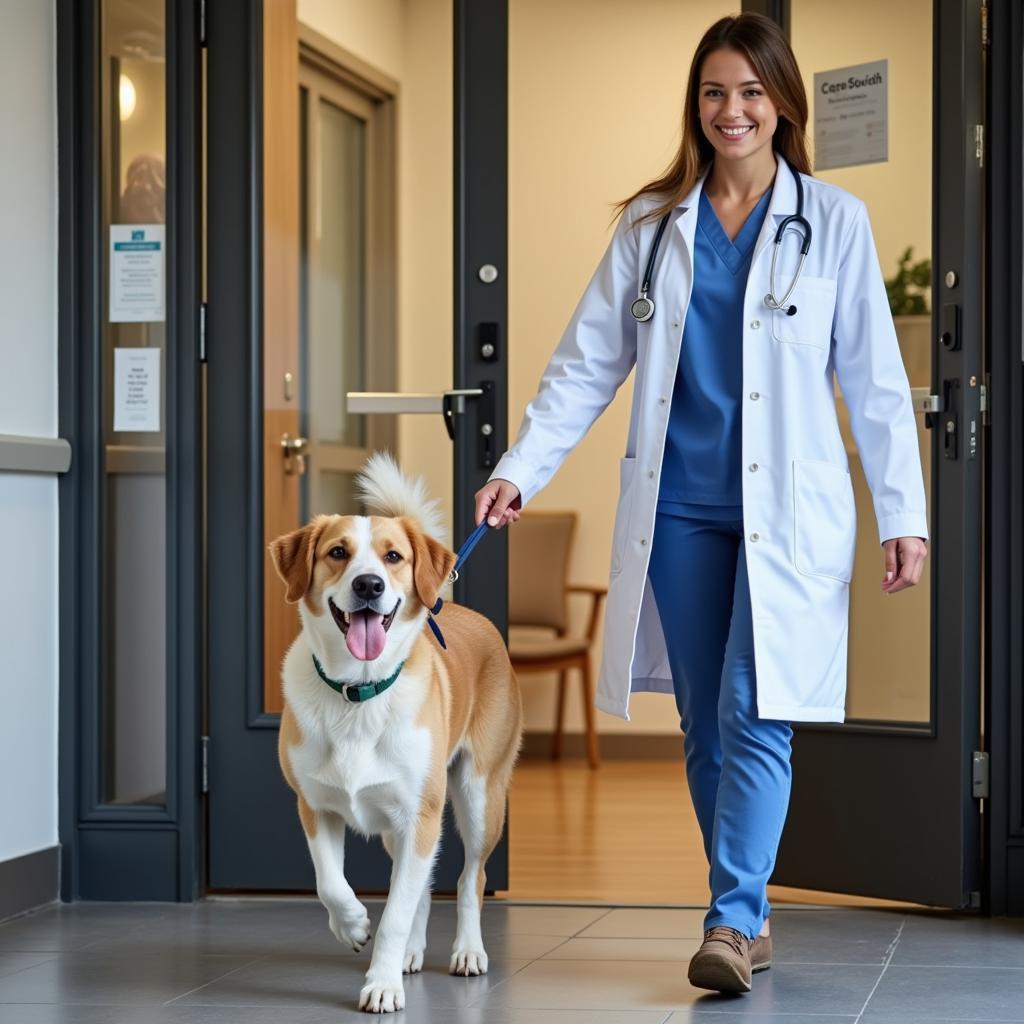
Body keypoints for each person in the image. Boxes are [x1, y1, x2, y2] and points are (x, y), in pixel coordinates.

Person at [474, 12, 928, 996]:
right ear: (697, 104)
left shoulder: (833, 223)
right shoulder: (650, 227)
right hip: (678, 507)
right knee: (700, 719)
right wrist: (521, 466)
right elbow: (584, 366)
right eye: (716, 91)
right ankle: (752, 908)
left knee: (754, 706)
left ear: (782, 104)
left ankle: (726, 917)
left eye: (753, 92)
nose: (734, 110)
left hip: (789, 512)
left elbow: (877, 383)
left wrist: (905, 512)